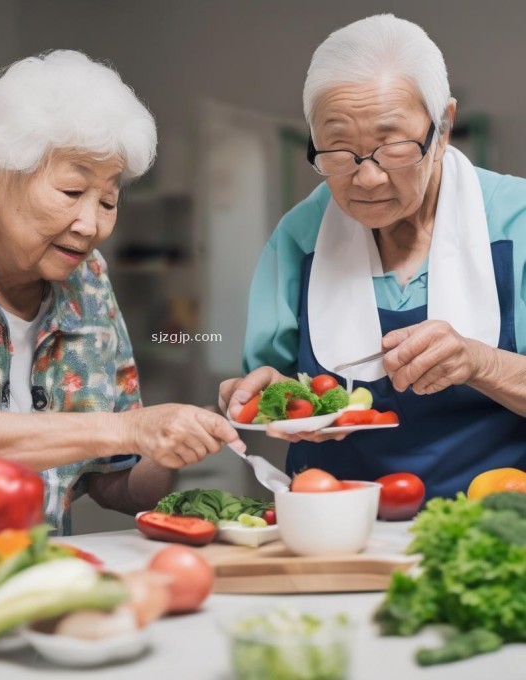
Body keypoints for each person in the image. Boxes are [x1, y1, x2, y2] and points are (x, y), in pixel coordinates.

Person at [0, 50, 245, 533]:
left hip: (34, 571)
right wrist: (125, 428)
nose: (90, 225)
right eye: (72, 192)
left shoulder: (88, 278)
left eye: (108, 200)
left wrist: (181, 435)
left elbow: (118, 486)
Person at [220, 14, 526, 499]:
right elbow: (275, 377)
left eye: (393, 147)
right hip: (331, 525)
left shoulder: (518, 223)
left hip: (493, 522)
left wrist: (480, 362)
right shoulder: (299, 237)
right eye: (338, 152)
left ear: (442, 127)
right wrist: (268, 398)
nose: (366, 179)